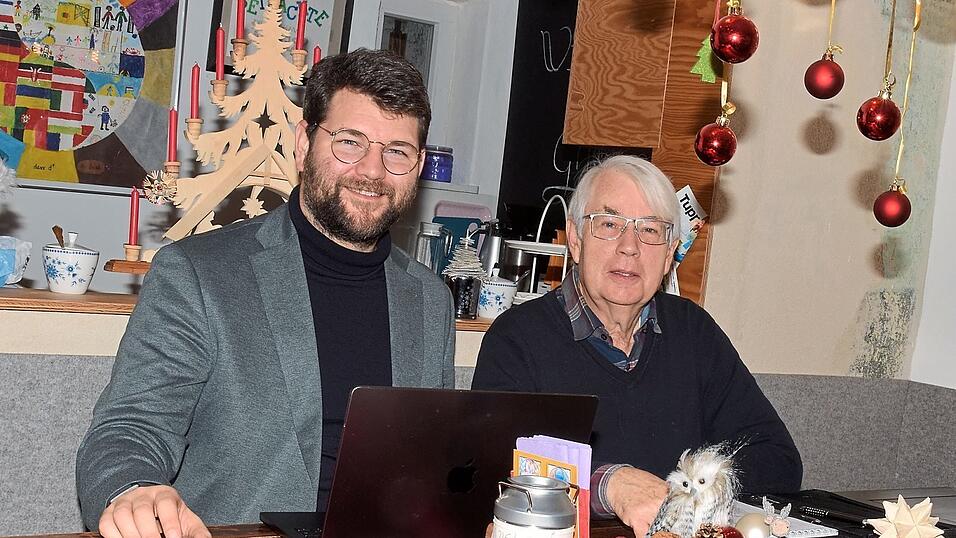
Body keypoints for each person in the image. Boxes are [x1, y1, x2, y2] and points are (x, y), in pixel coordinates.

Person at [76, 49, 456, 538]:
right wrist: (133, 488)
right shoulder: (198, 274)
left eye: (397, 152)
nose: (372, 170)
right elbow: (131, 427)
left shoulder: (429, 299)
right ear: (304, 144)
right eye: (349, 142)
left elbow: (434, 463)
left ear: (418, 165)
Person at [472, 155, 802, 535]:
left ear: (669, 253)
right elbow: (496, 473)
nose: (630, 246)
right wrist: (606, 485)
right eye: (609, 224)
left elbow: (778, 459)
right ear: (575, 240)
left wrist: (689, 491)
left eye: (649, 230)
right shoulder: (517, 339)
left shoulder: (694, 333)